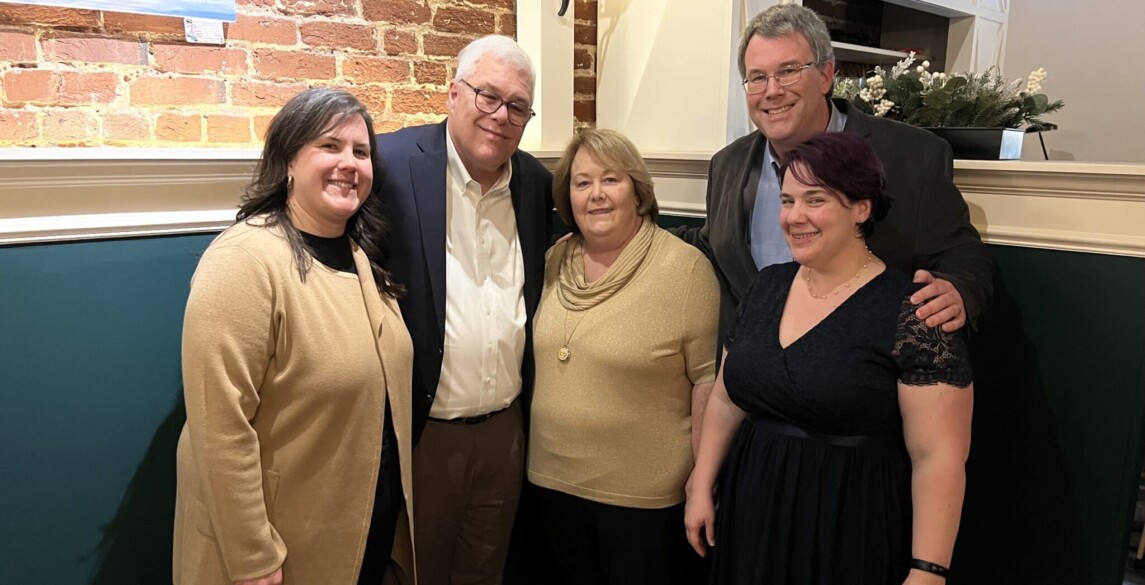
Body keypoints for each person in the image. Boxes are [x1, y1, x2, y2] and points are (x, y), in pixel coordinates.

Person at [684, 132, 974, 584]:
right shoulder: (767, 287)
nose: (794, 217)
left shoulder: (915, 310)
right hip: (752, 508)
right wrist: (701, 484)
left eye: (814, 199)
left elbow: (938, 455)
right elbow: (725, 399)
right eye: (787, 201)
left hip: (847, 522)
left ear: (861, 207)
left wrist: (928, 570)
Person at [173, 88, 415, 585]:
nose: (349, 163)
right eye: (330, 146)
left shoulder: (361, 258)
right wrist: (253, 557)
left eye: (361, 151)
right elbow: (219, 425)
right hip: (280, 553)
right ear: (288, 159)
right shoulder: (244, 259)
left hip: (360, 534)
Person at [673, 3, 992, 366]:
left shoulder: (913, 156)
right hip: (751, 390)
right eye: (757, 77)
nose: (771, 91)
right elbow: (713, 247)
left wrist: (960, 291)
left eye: (789, 71)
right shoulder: (727, 165)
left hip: (859, 389)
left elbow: (962, 253)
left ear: (826, 75)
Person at [375, 35, 553, 585]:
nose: (501, 116)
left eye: (517, 106)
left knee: (485, 571)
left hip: (506, 434)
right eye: (487, 96)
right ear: (453, 93)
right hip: (425, 431)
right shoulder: (391, 164)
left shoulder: (536, 185)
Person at [527, 129, 719, 584]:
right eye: (581, 183)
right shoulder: (552, 262)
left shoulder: (686, 270)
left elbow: (708, 387)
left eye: (610, 180)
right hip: (549, 486)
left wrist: (702, 484)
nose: (596, 195)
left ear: (637, 190)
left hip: (644, 502)